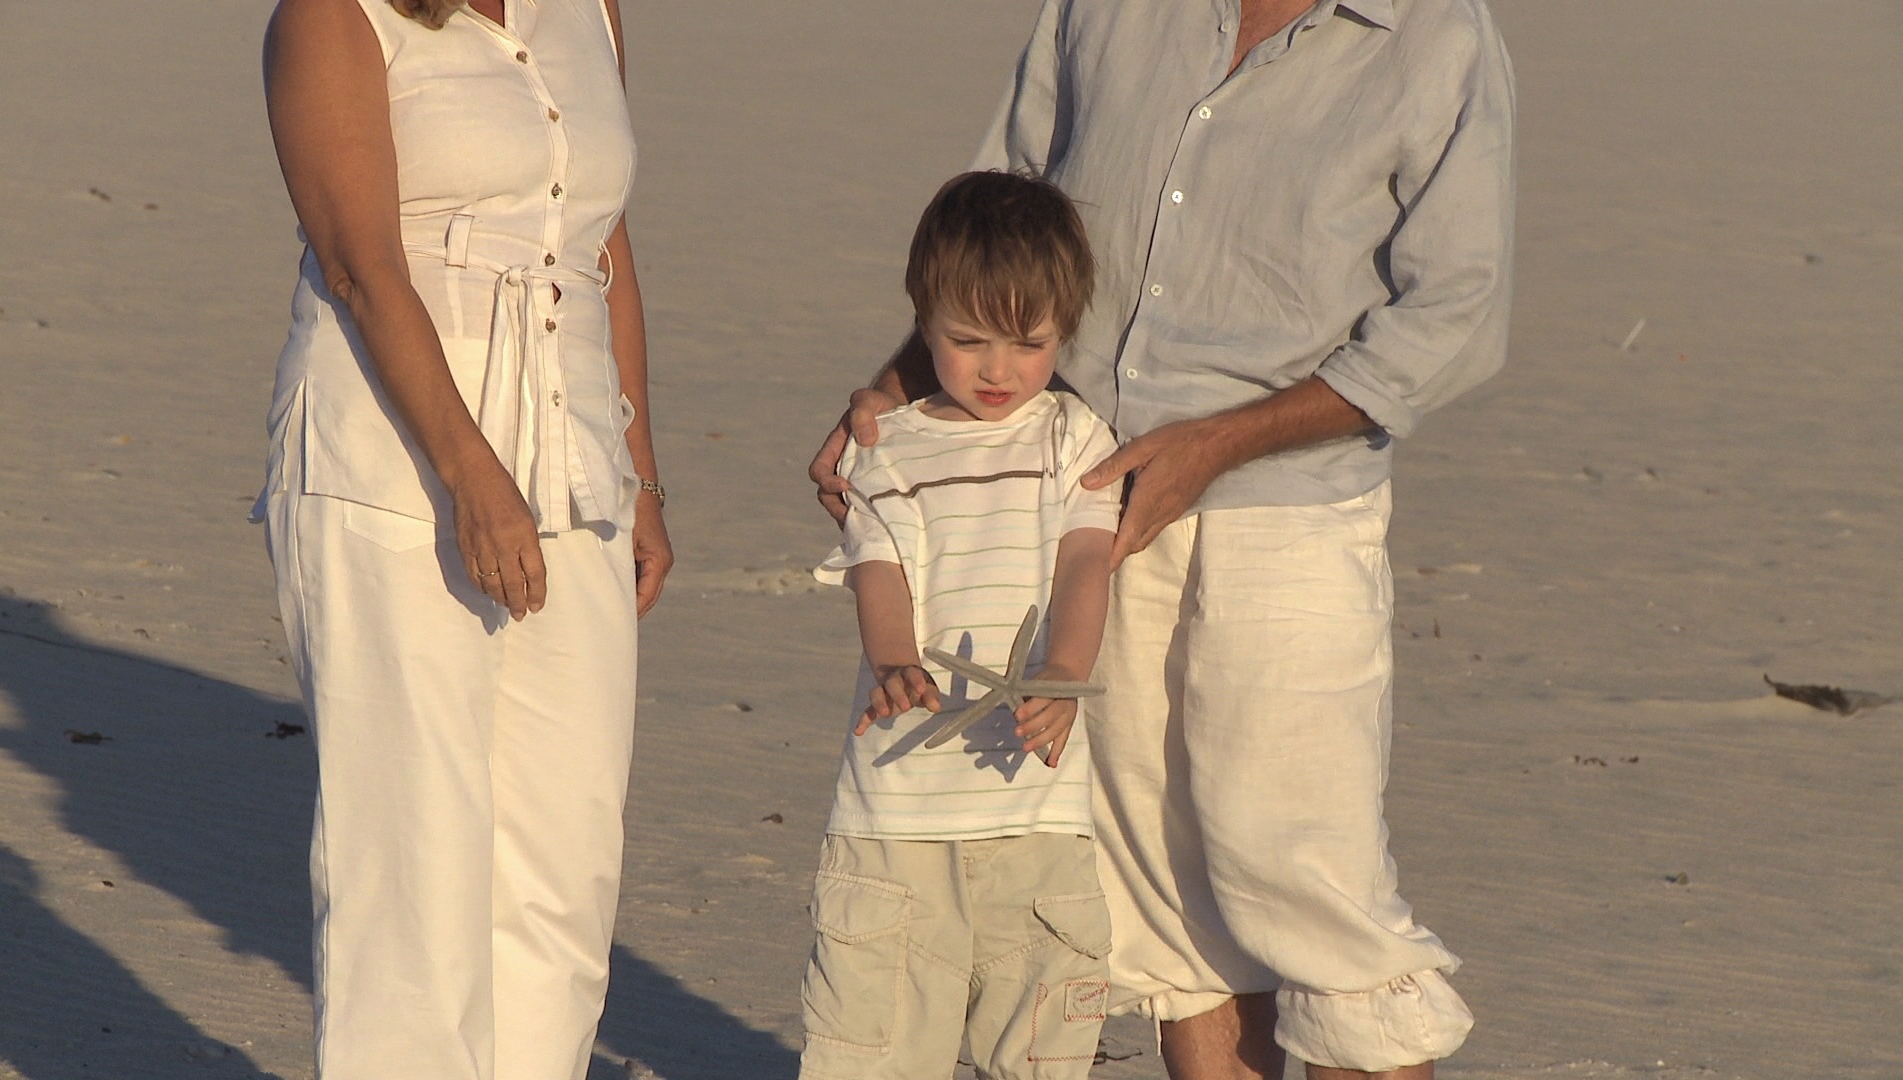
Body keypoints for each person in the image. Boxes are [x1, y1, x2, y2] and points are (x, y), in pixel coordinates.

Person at [811, 2, 1515, 1077]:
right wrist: (894, 391)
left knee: (1311, 891)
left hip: (1293, 514)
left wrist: (1223, 442)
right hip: (1088, 511)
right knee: (1166, 908)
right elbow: (998, 227)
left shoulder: (1434, 35)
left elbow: (1458, 311)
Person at [258, 0, 672, 1076]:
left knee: (565, 863)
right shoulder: (330, 16)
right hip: (394, 468)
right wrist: (470, 472)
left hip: (576, 462)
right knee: (411, 862)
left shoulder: (587, 9)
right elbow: (358, 263)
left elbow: (601, 236)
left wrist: (640, 469)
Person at [800, 171, 1123, 1080]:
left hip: (1036, 814)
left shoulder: (1074, 438)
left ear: (1066, 327)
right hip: (896, 818)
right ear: (922, 319)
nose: (997, 370)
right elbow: (880, 569)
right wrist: (895, 660)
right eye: (965, 339)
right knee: (876, 1051)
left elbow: (1086, 561)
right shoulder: (887, 446)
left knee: (1036, 1056)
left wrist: (1061, 671)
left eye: (1029, 343)